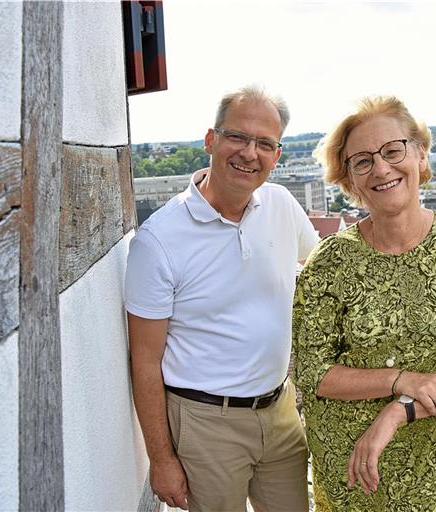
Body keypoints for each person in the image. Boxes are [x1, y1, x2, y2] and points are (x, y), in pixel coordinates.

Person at [292, 96, 436, 511]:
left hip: (425, 459)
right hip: (345, 464)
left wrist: (398, 412)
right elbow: (311, 371)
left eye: (393, 151)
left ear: (420, 153)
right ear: (351, 181)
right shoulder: (330, 261)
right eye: (362, 161)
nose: (381, 168)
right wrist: (402, 381)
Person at [125, 86, 319, 512]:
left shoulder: (282, 204)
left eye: (265, 143)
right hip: (206, 423)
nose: (250, 153)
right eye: (238, 137)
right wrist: (161, 459)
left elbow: (324, 269)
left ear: (277, 155)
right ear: (211, 140)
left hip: (281, 409)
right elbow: (143, 361)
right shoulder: (158, 241)